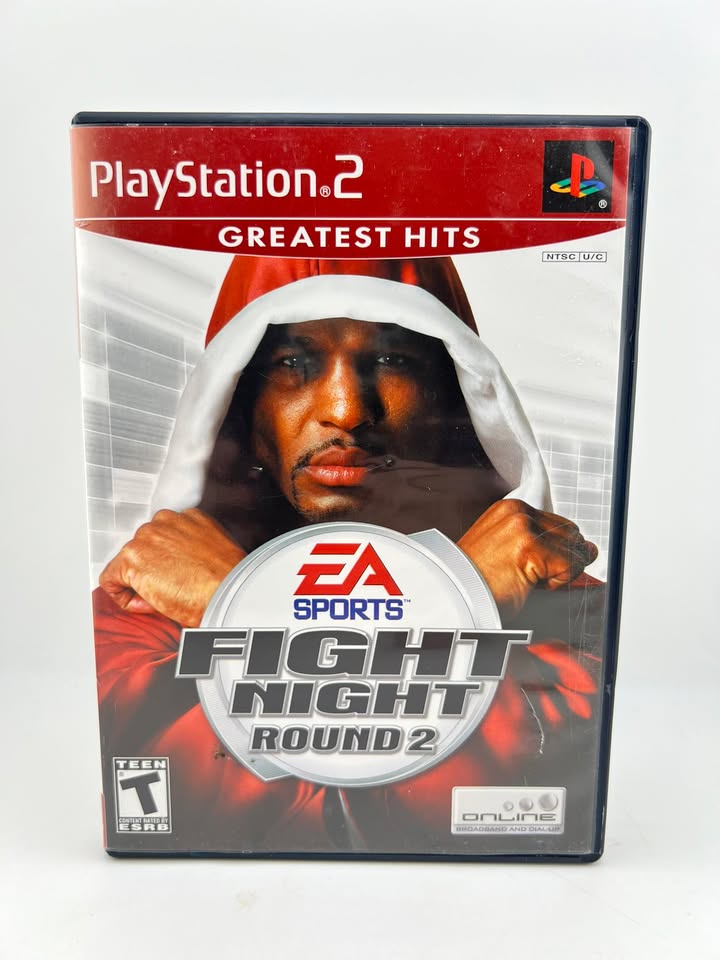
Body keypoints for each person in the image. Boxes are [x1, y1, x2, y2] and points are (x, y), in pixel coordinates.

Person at [93, 257, 604, 852]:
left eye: (392, 360)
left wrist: (225, 606)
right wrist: (468, 596)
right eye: (292, 364)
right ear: (237, 406)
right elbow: (191, 810)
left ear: (454, 396)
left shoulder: (568, 607)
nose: (346, 409)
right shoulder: (143, 605)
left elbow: (485, 813)